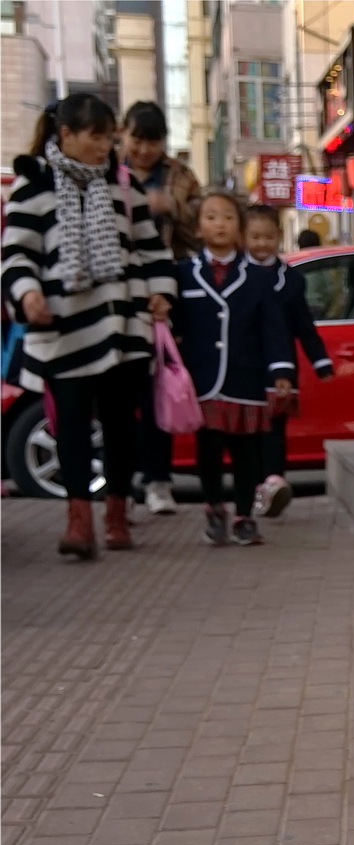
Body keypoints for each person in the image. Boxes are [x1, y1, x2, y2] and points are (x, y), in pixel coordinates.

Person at [0, 95, 176, 558]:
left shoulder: (123, 186)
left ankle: (116, 514)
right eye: (96, 136)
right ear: (67, 135)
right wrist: (27, 293)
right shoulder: (32, 186)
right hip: (63, 329)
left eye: (108, 136)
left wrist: (161, 292)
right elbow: (17, 254)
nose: (105, 145)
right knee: (72, 426)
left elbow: (151, 249)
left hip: (123, 327)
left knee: (121, 426)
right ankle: (79, 521)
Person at [171, 191, 292, 546]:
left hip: (246, 377)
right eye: (211, 217)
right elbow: (175, 326)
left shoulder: (257, 277)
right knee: (207, 451)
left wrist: (280, 372)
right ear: (197, 228)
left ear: (239, 229)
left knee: (246, 453)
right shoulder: (183, 275)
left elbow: (274, 328)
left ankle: (243, 515)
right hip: (203, 379)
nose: (219, 224)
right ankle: (213, 509)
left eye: (227, 217)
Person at [121, 101, 203, 516]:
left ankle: (157, 481)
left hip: (165, 297)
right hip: (116, 298)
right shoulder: (106, 171)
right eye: (137, 139)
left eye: (152, 142)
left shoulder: (180, 176)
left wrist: (172, 207)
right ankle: (119, 485)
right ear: (123, 134)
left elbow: (206, 224)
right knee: (119, 394)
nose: (143, 150)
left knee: (159, 390)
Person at [243, 204, 333, 518]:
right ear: (244, 237)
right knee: (248, 432)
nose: (261, 244)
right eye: (254, 237)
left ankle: (274, 482)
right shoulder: (235, 276)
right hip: (244, 367)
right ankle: (252, 488)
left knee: (274, 429)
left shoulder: (292, 281)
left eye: (268, 237)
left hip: (280, 368)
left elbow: (303, 325)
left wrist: (320, 360)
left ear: (279, 238)